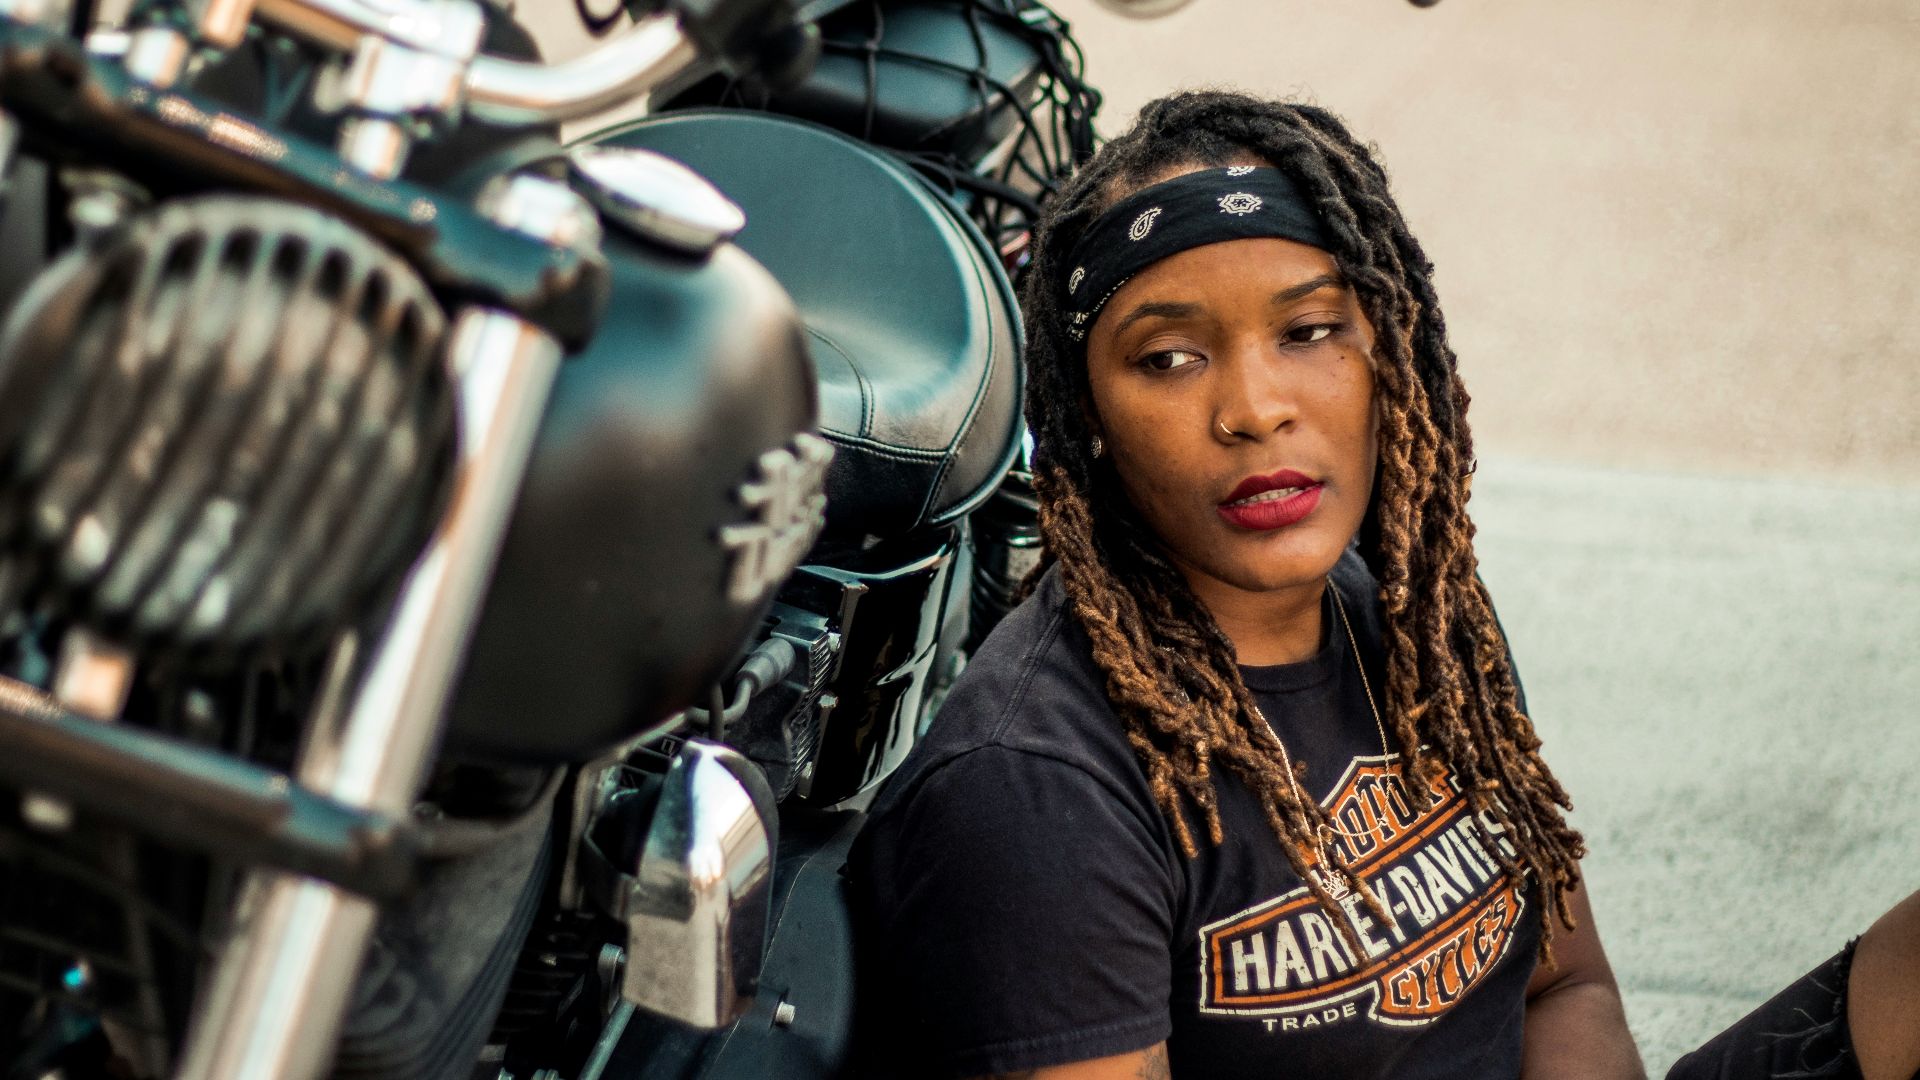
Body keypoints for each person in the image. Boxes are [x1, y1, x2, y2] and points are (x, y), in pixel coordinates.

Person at [845, 90, 1920, 1080]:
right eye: (1169, 357)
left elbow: (1565, 986)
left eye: (1311, 331)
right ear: (1087, 426)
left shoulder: (1420, 618)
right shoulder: (1034, 788)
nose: (1256, 408)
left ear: (1389, 355)